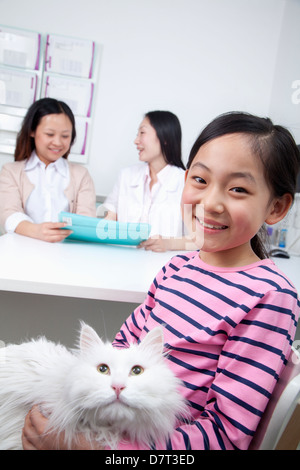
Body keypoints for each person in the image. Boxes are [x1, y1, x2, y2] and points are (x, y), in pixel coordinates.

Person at [22, 112, 300, 450]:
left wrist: (94, 450)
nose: (210, 203)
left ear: (276, 207)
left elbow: (226, 437)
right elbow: (122, 349)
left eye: (238, 189)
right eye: (199, 179)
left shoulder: (270, 296)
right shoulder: (177, 267)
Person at [0, 98, 96, 242]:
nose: (57, 142)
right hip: (21, 253)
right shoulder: (11, 172)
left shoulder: (81, 175)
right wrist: (37, 231)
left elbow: (86, 221)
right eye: (50, 134)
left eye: (65, 136)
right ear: (32, 131)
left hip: (67, 256)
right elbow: (9, 213)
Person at [102, 110, 194, 252]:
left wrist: (169, 244)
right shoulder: (126, 176)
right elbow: (109, 219)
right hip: (121, 262)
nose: (136, 141)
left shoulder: (186, 182)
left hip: (163, 267)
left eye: (142, 133)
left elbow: (199, 240)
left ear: (165, 137)